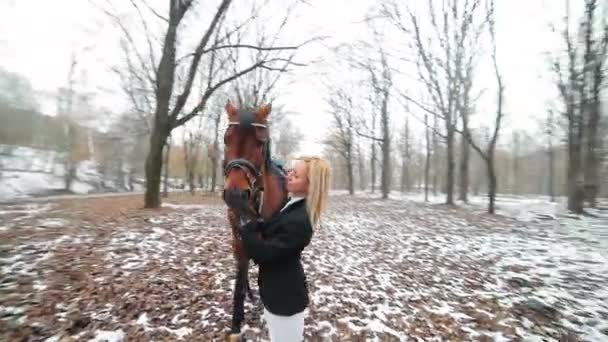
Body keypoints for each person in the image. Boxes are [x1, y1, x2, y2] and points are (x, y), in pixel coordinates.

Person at [240, 156, 330, 341]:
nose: (288, 176)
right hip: (276, 293)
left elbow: (265, 253)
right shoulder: (292, 205)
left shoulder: (301, 220)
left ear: (310, 185)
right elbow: (273, 226)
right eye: (291, 171)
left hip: (285, 300)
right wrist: (256, 223)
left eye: (295, 176)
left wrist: (246, 230)